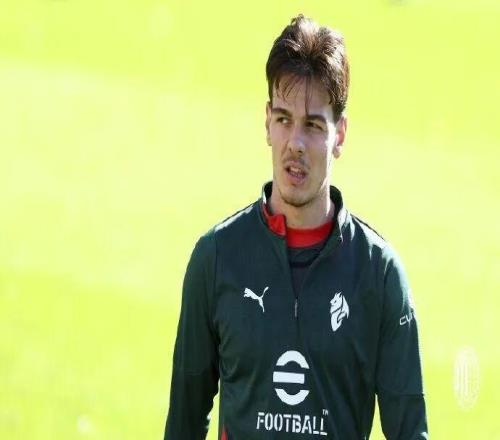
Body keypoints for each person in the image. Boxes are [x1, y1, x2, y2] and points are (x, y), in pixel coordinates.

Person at [164, 14, 428, 440]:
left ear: (340, 135)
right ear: (267, 122)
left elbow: (410, 433)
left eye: (313, 125)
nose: (295, 144)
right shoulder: (216, 258)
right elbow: (182, 424)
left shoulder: (379, 274)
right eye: (284, 119)